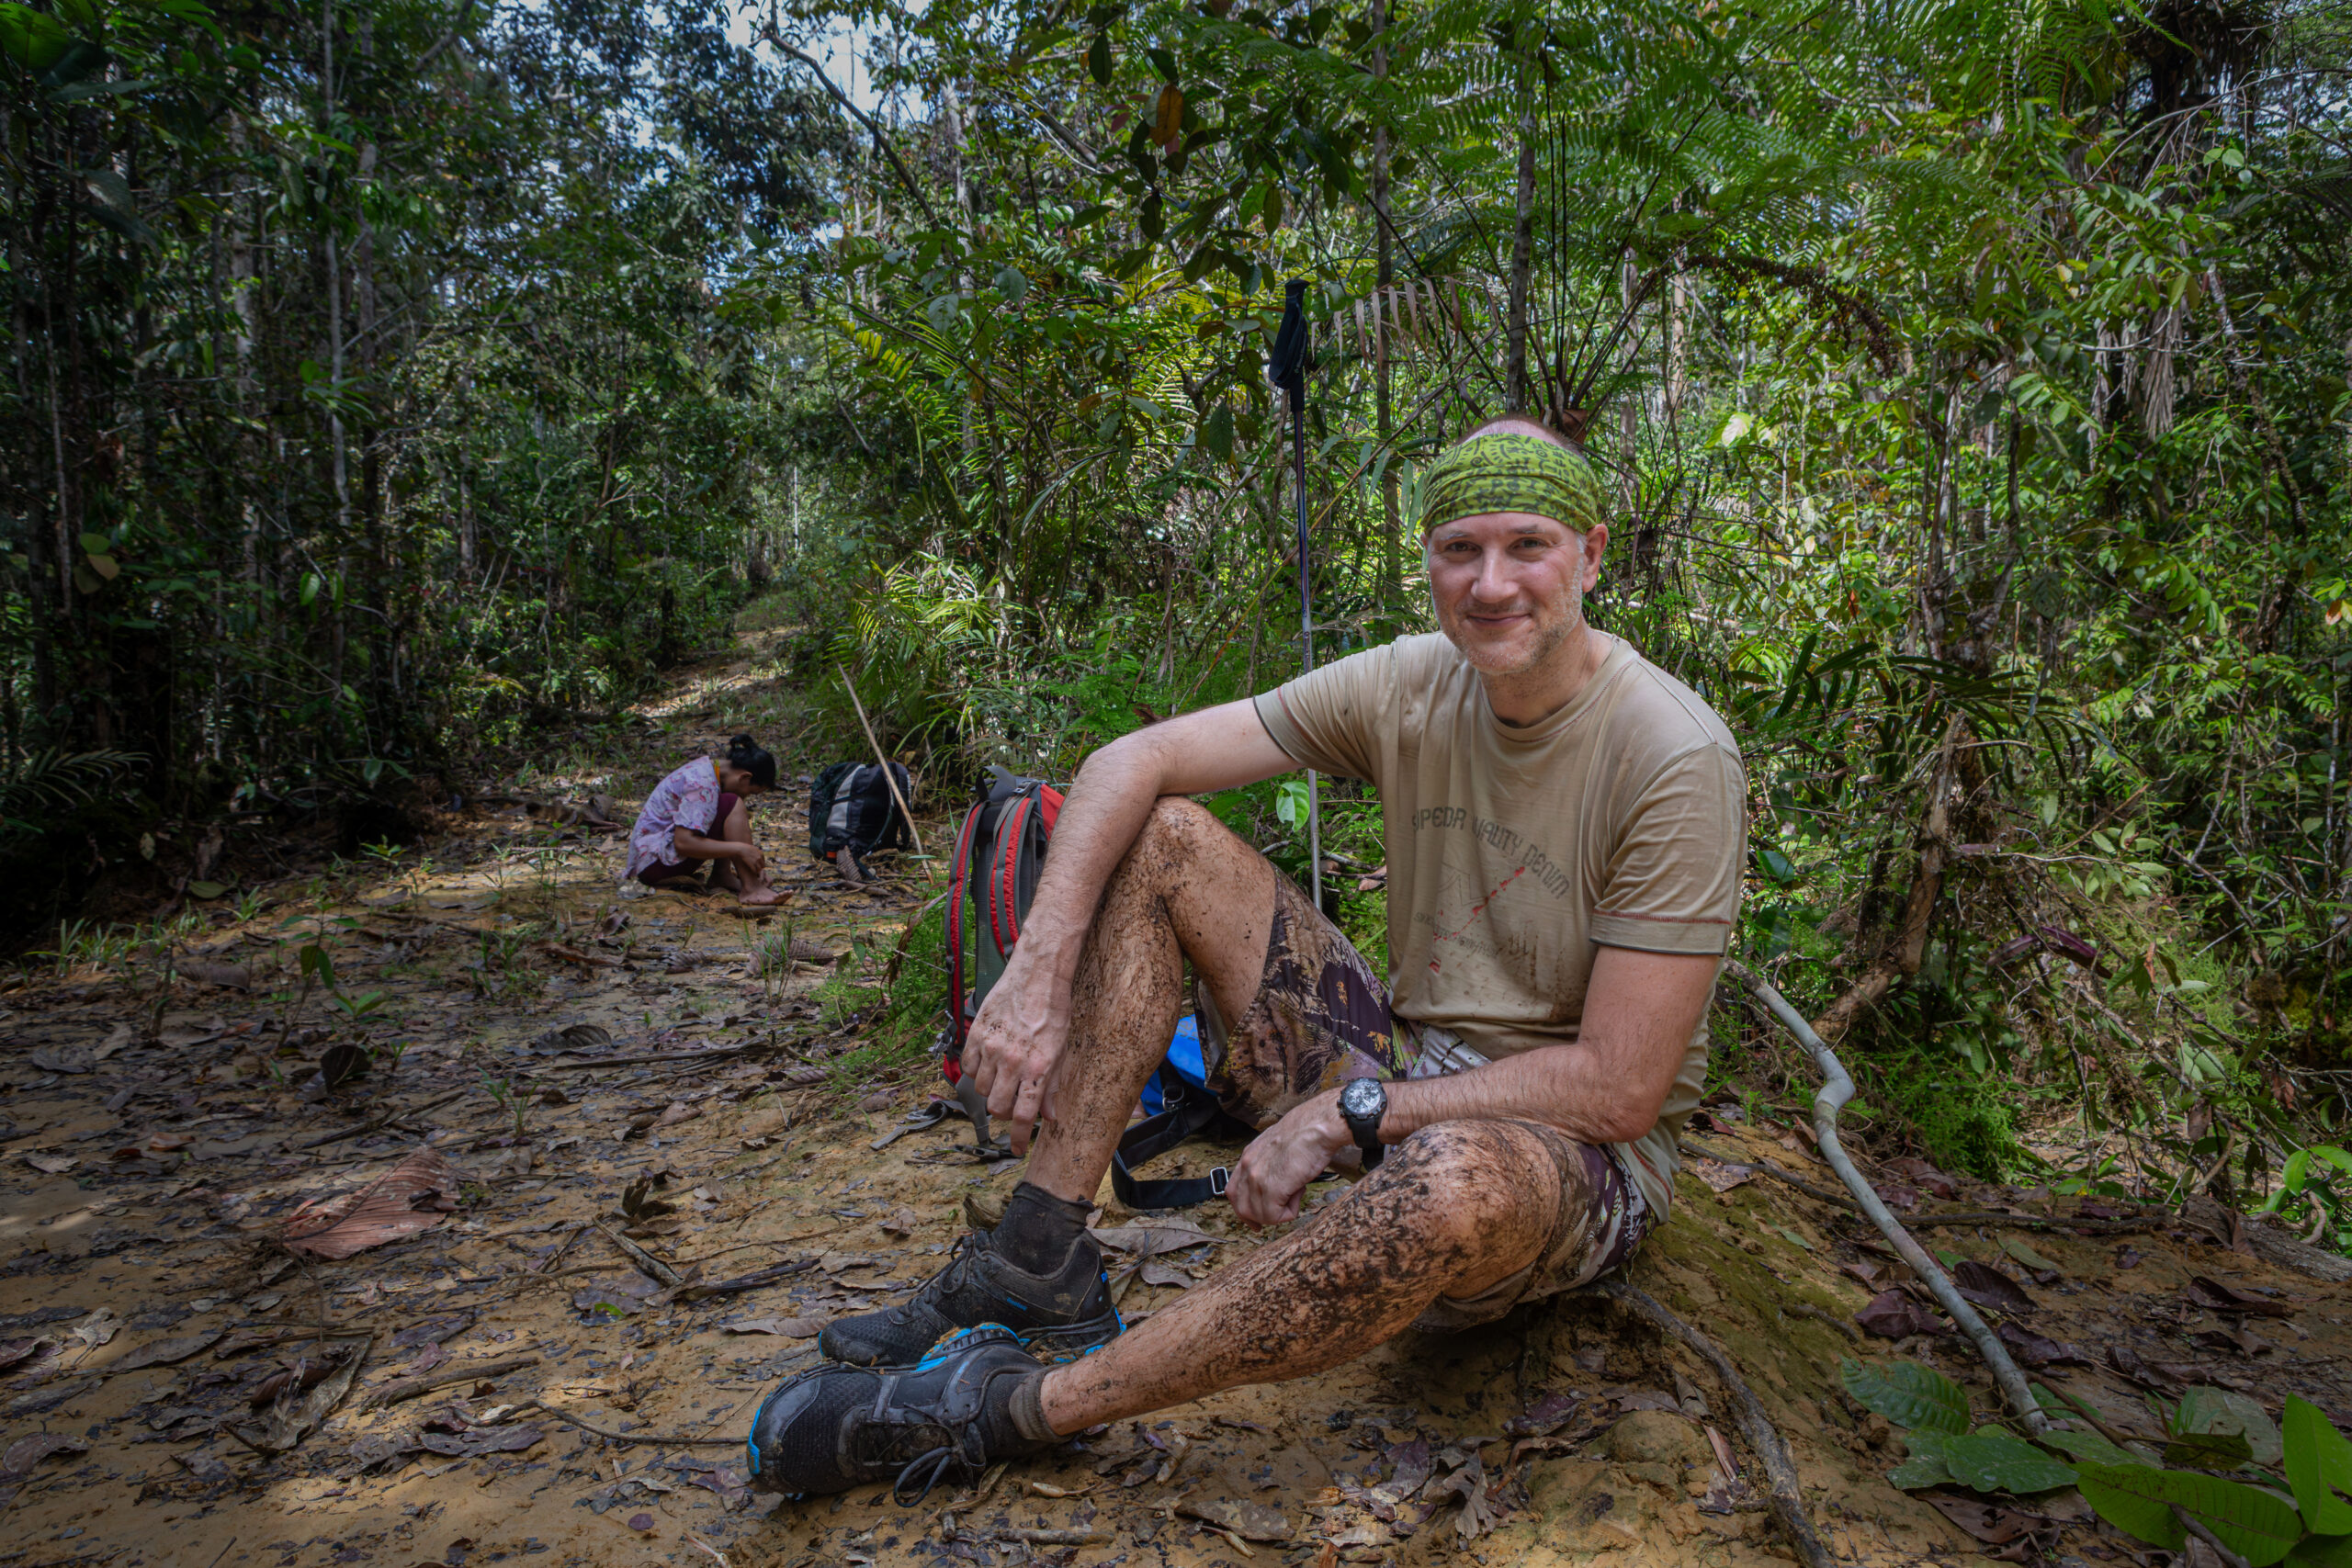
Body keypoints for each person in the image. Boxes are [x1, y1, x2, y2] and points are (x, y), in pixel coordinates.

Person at [745, 419, 1747, 1499]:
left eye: (1527, 546)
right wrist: (1037, 968)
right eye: (1460, 549)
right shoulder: (1414, 681)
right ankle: (1034, 1259)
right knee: (1164, 836)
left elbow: (1618, 1087)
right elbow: (1137, 757)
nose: (1490, 583)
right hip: (1404, 1059)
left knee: (1451, 1181)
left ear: (1590, 556)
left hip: (1565, 1152)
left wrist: (1348, 1116)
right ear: (1427, 561)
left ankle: (1014, 1410)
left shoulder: (1670, 752)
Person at [622, 734, 784, 906]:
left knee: (726, 805)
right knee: (732, 803)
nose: (746, 797)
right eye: (750, 792)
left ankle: (722, 875)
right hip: (653, 864)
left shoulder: (709, 770)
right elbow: (683, 843)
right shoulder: (701, 784)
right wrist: (741, 849)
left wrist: (747, 857)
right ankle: (752, 888)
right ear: (744, 777)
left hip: (651, 859)